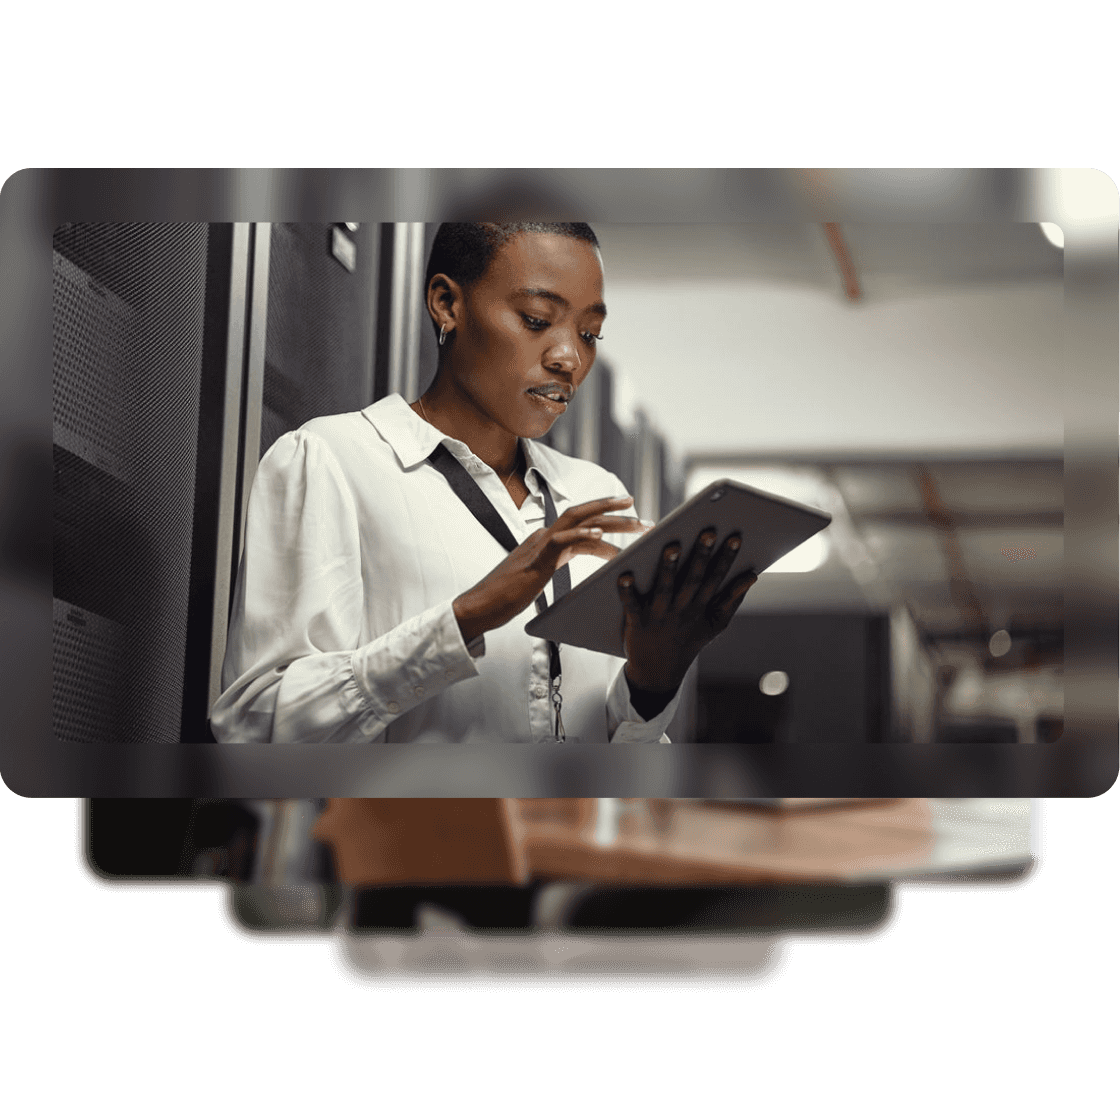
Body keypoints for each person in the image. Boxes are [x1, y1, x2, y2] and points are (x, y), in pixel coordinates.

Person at [210, 222, 756, 743]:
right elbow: (254, 730)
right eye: (539, 320)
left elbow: (615, 753)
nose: (569, 357)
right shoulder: (334, 462)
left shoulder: (596, 493)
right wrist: (463, 618)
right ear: (448, 303)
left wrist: (653, 679)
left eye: (589, 333)